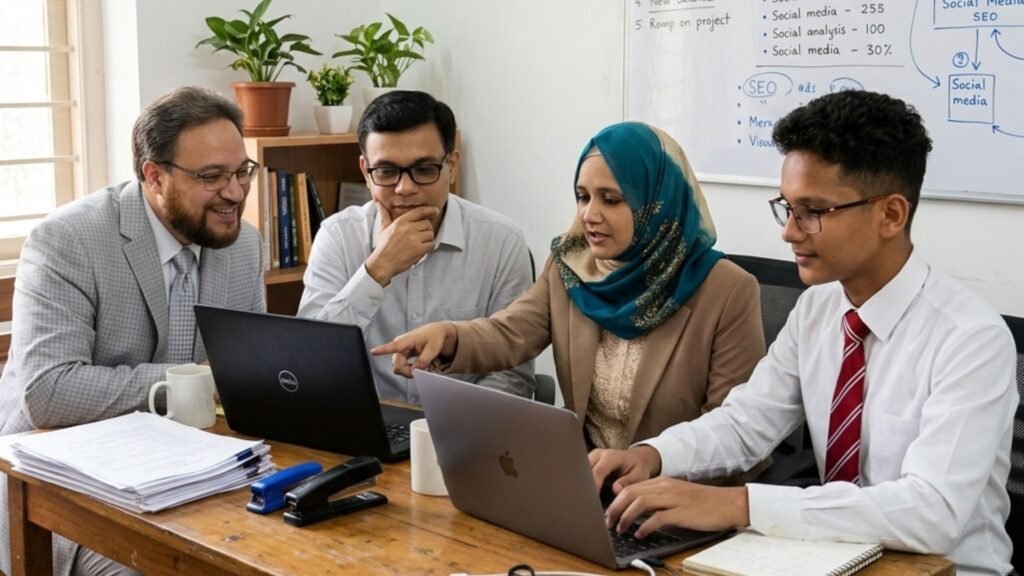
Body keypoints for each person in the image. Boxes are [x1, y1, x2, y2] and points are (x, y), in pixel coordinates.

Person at [590, 91, 1016, 576]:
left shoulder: (970, 339)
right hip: (828, 556)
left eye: (812, 211)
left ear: (891, 215)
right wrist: (653, 455)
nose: (789, 232)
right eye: (786, 207)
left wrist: (740, 505)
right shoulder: (817, 308)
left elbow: (933, 511)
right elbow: (747, 423)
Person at [373, 122, 766, 452]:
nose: (589, 215)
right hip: (588, 484)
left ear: (658, 203)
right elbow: (511, 333)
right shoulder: (572, 266)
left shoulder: (726, 290)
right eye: (582, 197)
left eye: (611, 200)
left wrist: (653, 465)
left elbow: (729, 431)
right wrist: (447, 336)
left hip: (681, 494)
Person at [0, 86, 265, 576]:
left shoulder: (243, 245)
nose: (234, 192)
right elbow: (48, 391)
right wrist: (195, 379)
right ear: (153, 176)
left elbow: (244, 369)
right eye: (212, 177)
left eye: (241, 171)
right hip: (60, 485)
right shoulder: (68, 240)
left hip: (189, 472)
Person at [296, 90, 534, 403]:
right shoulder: (337, 236)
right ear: (365, 172)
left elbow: (512, 374)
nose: (404, 188)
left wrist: (458, 433)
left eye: (424, 170)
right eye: (386, 171)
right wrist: (378, 268)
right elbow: (308, 362)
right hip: (364, 427)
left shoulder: (501, 241)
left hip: (465, 429)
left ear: (453, 166)